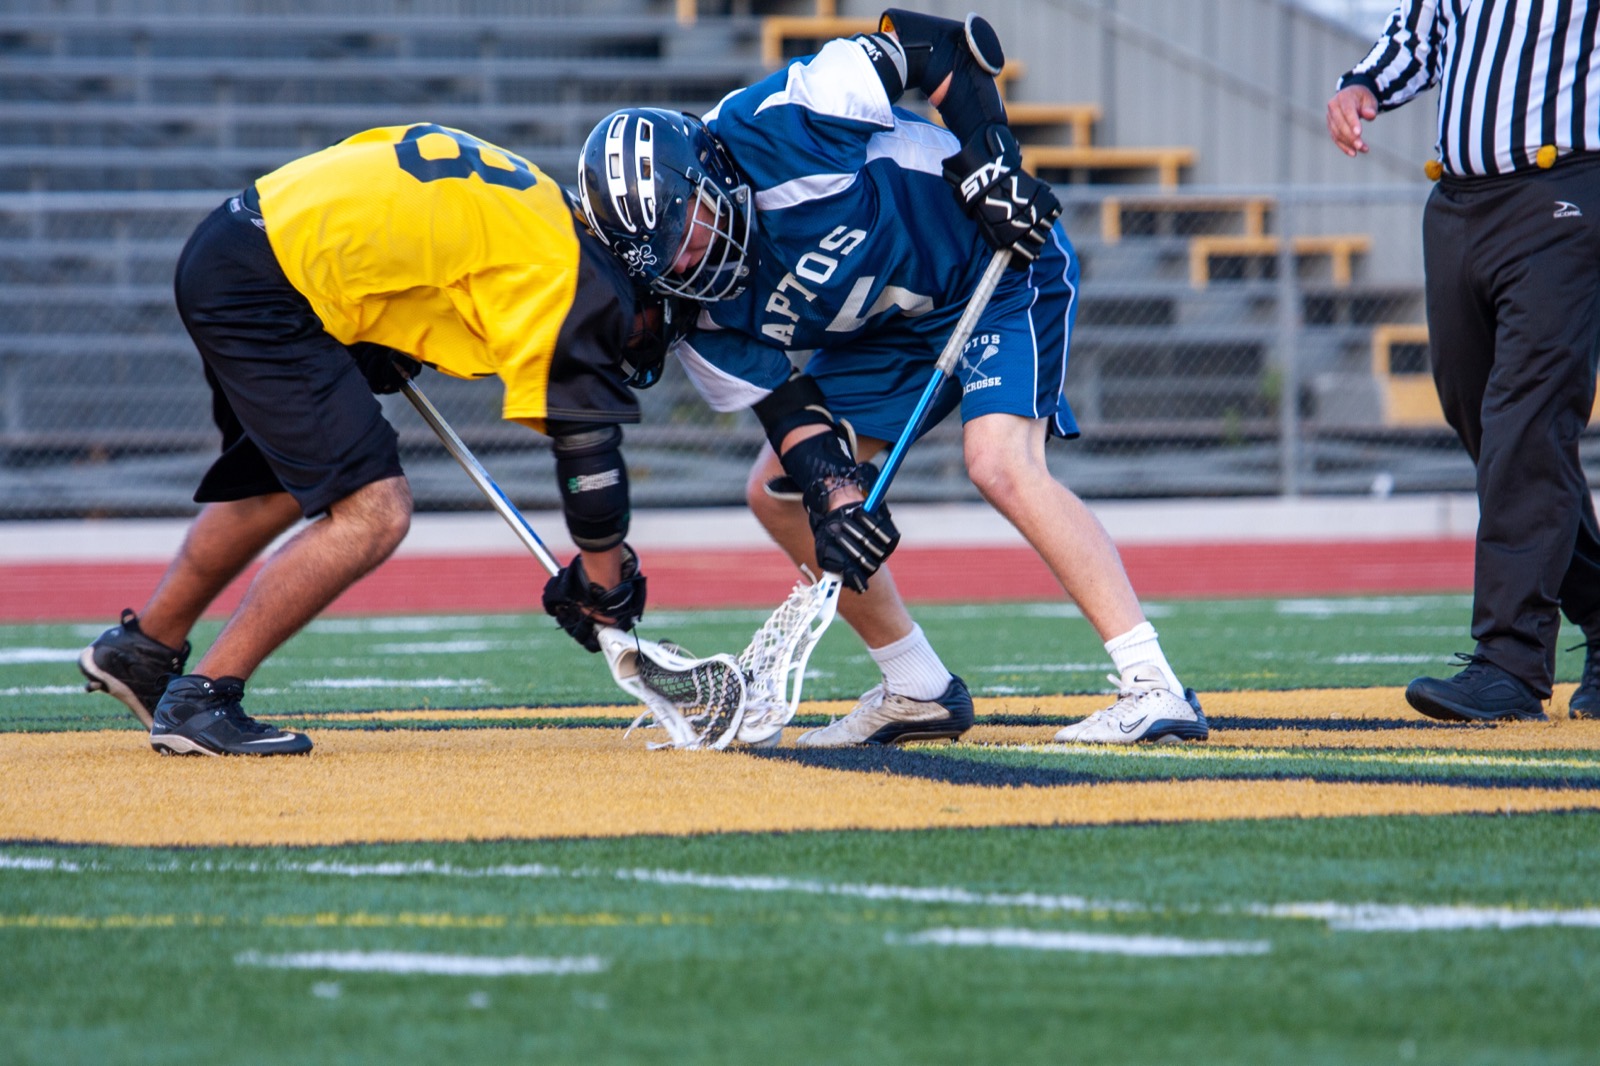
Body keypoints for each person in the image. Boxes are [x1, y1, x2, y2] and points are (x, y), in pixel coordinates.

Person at [577, 10, 1204, 747]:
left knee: (999, 463)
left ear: (706, 174)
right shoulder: (690, 310)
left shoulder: (786, 121)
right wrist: (837, 501)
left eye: (686, 232)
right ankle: (917, 687)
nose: (689, 263)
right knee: (778, 492)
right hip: (891, 325)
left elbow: (934, 45)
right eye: (664, 261)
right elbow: (789, 412)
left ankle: (1153, 683)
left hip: (990, 268)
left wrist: (993, 162)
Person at [78, 123, 684, 755]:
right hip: (270, 287)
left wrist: (372, 324)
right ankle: (200, 702)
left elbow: (385, 184)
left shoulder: (541, 209)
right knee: (374, 513)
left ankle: (142, 652)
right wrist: (603, 586)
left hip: (247, 246)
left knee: (279, 483)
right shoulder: (573, 273)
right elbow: (588, 452)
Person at [1329, 2, 1600, 724]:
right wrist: (1363, 85)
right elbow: (1422, 31)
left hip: (1561, 191)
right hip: (1457, 203)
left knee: (1525, 424)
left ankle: (1511, 662)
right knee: (1482, 418)